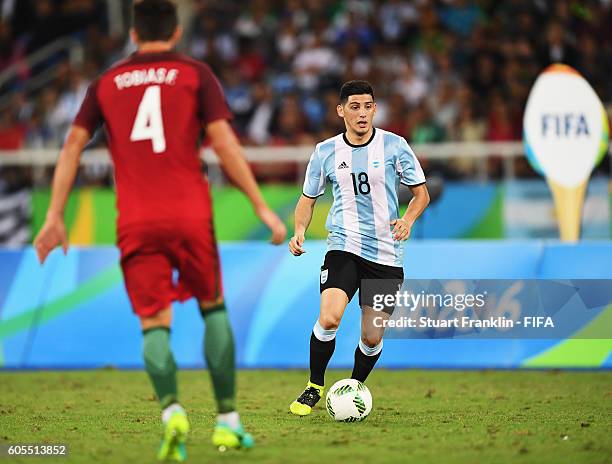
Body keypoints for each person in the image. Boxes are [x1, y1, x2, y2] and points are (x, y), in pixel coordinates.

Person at [33, 0, 286, 461]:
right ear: (175, 33)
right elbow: (225, 142)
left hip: (135, 219)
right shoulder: (195, 75)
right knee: (213, 308)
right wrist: (261, 206)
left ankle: (171, 411)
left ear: (132, 34)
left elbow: (71, 146)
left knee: (153, 323)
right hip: (190, 214)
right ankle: (228, 422)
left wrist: (54, 216)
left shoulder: (105, 84)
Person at [288, 80, 429, 416]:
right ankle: (314, 386)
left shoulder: (395, 146)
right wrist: (299, 231)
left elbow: (421, 193)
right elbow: (307, 200)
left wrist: (407, 220)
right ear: (341, 111)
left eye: (368, 106)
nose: (362, 113)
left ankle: (353, 387)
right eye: (355, 106)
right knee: (330, 316)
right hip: (344, 244)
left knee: (371, 336)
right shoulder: (325, 152)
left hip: (385, 253)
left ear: (375, 109)